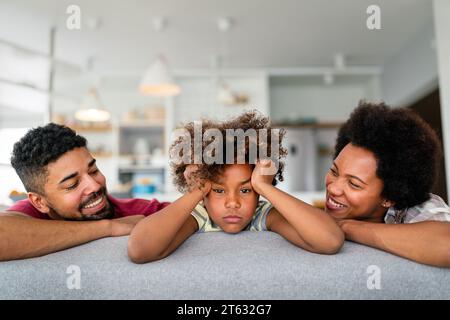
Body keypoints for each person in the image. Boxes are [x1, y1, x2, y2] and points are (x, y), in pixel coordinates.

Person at [128, 111, 344, 263]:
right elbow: (140, 250)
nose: (233, 203)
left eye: (246, 190)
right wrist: (196, 191)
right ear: (203, 192)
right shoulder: (199, 216)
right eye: (218, 190)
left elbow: (330, 240)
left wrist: (264, 187)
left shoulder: (263, 214)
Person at [0, 123, 169, 261]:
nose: (95, 186)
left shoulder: (139, 212)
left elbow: (194, 211)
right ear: (39, 202)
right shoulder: (27, 217)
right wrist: (108, 228)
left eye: (93, 170)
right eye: (72, 184)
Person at [325, 101, 450, 267]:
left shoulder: (417, 209)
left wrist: (346, 227)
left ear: (389, 197)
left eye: (354, 184)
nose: (333, 188)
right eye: (334, 171)